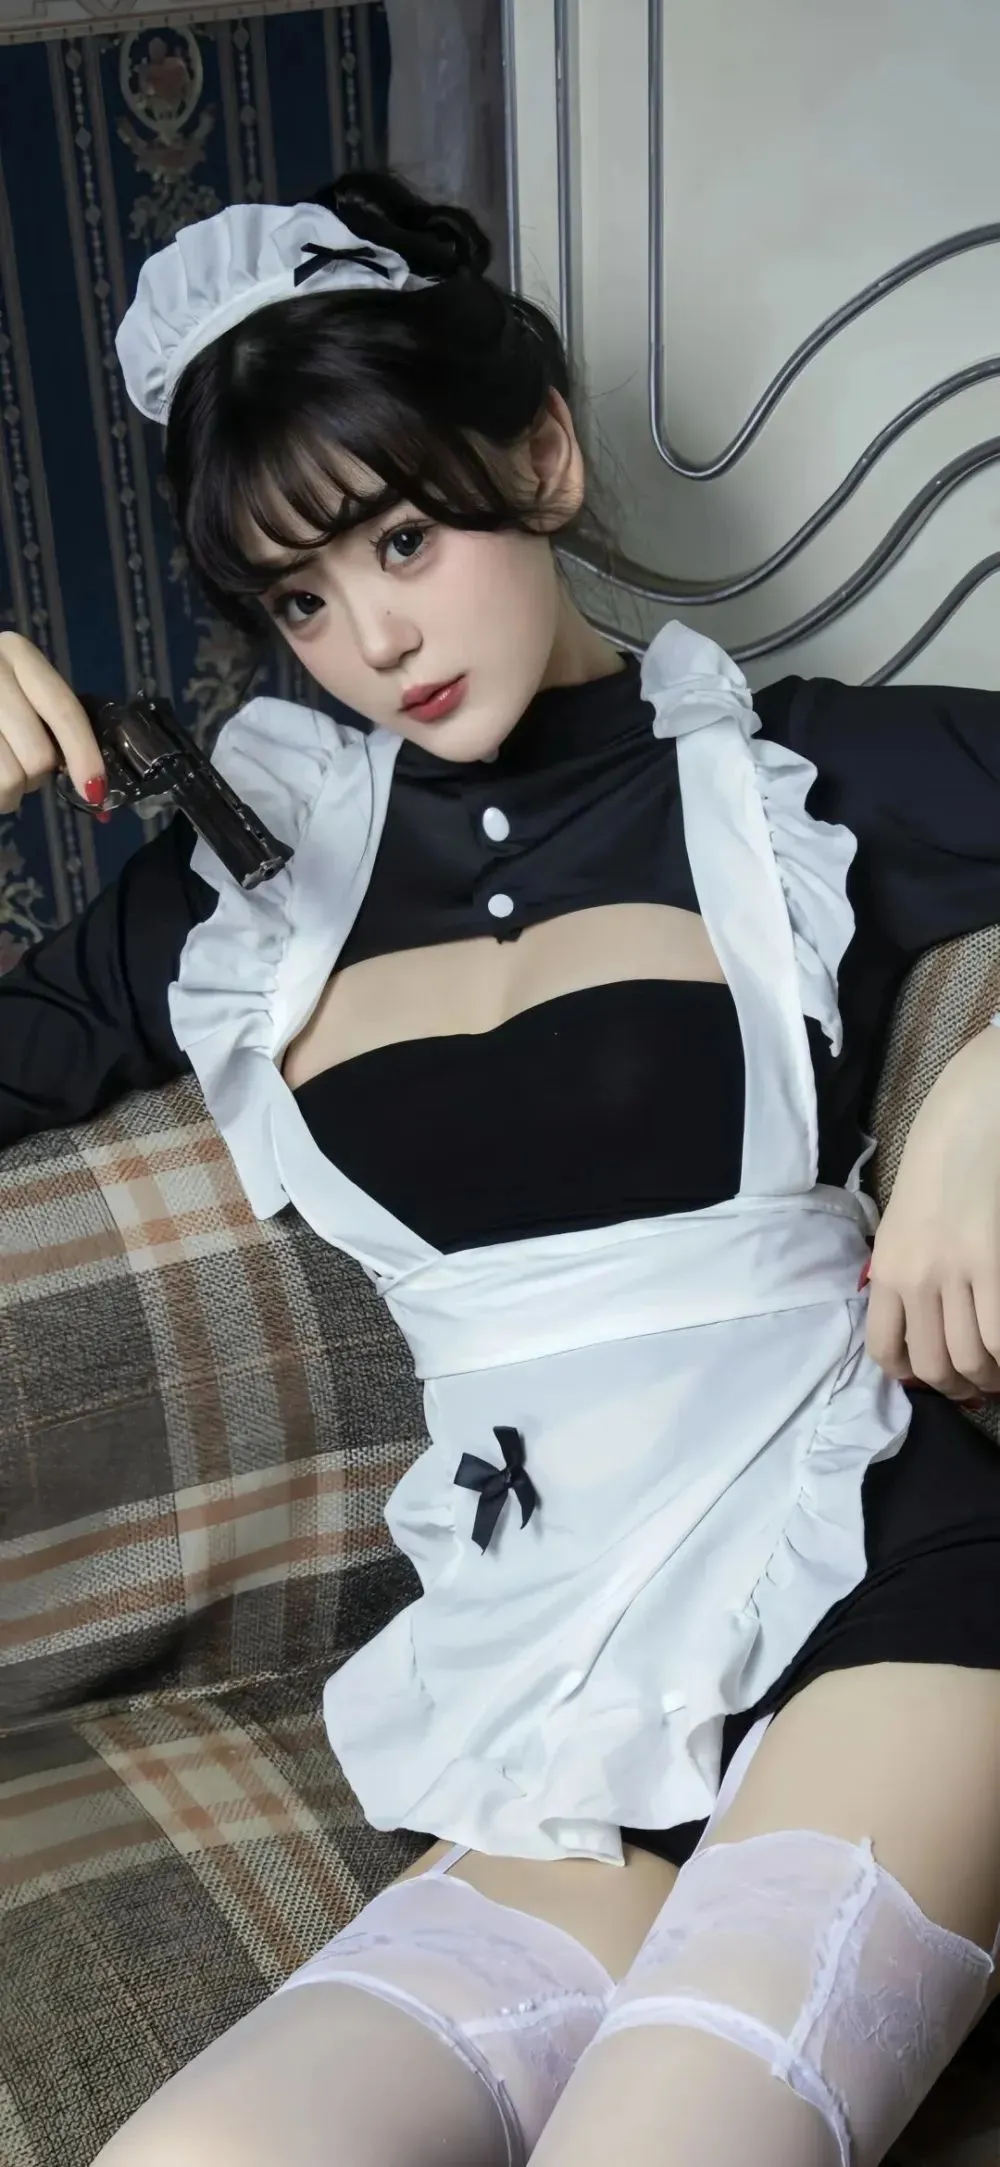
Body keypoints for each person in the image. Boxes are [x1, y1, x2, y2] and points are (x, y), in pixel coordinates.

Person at [3, 169, 1000, 2167]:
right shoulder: (239, 898)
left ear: (538, 455)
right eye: (300, 598)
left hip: (891, 1595)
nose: (374, 635)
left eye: (403, 535)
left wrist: (992, 1083)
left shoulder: (794, 773)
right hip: (551, 1685)